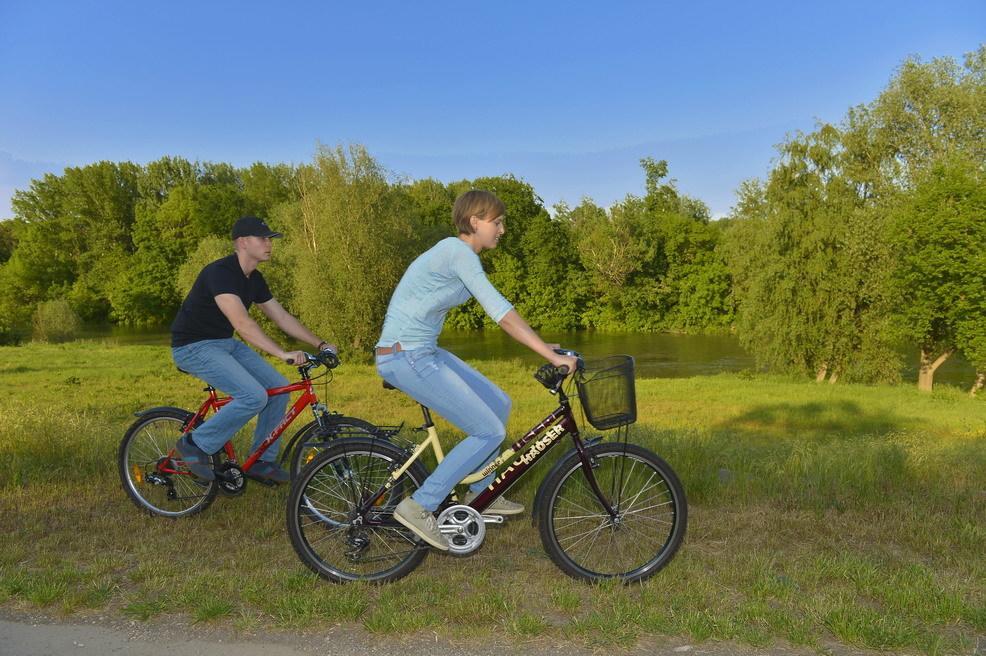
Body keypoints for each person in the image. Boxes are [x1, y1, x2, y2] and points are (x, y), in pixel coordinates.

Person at [375, 190, 579, 550]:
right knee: (487, 431)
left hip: (421, 350)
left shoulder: (459, 256)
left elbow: (501, 311)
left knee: (498, 404)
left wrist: (543, 347)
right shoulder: (458, 252)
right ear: (474, 222)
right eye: (496, 222)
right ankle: (421, 505)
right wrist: (549, 357)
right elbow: (500, 312)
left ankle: (480, 491)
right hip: (405, 354)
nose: (501, 230)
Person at [171, 215, 334, 484]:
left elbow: (282, 318)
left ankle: (262, 461)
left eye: (270, 239)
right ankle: (195, 445)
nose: (269, 243)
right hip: (193, 345)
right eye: (263, 238)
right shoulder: (220, 273)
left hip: (223, 343)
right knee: (253, 396)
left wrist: (320, 344)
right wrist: (282, 353)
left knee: (277, 389)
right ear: (243, 242)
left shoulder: (254, 279)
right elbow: (242, 323)